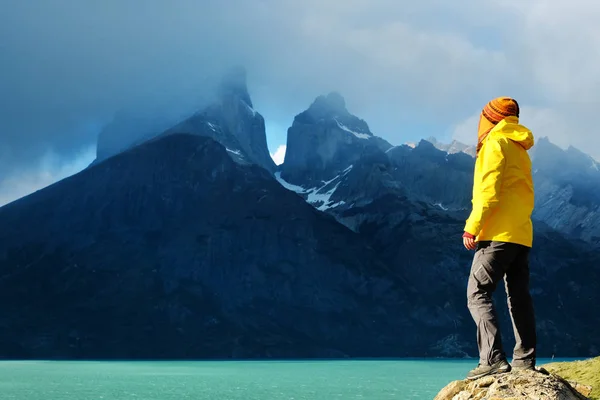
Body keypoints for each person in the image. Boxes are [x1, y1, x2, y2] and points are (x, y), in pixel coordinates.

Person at [462, 97, 537, 380]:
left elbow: (488, 191)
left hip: (497, 233)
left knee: (477, 292)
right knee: (518, 297)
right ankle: (524, 361)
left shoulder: (495, 144)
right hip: (521, 234)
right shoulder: (520, 148)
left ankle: (492, 359)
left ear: (490, 118)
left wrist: (473, 227)